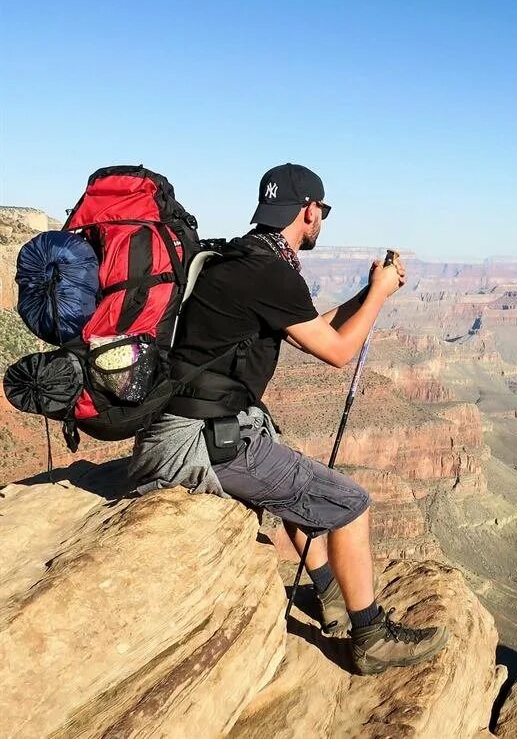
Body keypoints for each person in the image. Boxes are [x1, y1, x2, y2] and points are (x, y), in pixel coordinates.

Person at [130, 163, 449, 675]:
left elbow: (310, 328)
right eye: (321, 210)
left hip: (187, 424)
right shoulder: (269, 271)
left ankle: (329, 598)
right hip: (199, 441)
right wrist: (382, 296)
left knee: (287, 463)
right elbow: (339, 351)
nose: (321, 218)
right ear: (309, 211)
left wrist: (368, 292)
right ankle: (369, 637)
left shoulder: (243, 257)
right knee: (349, 504)